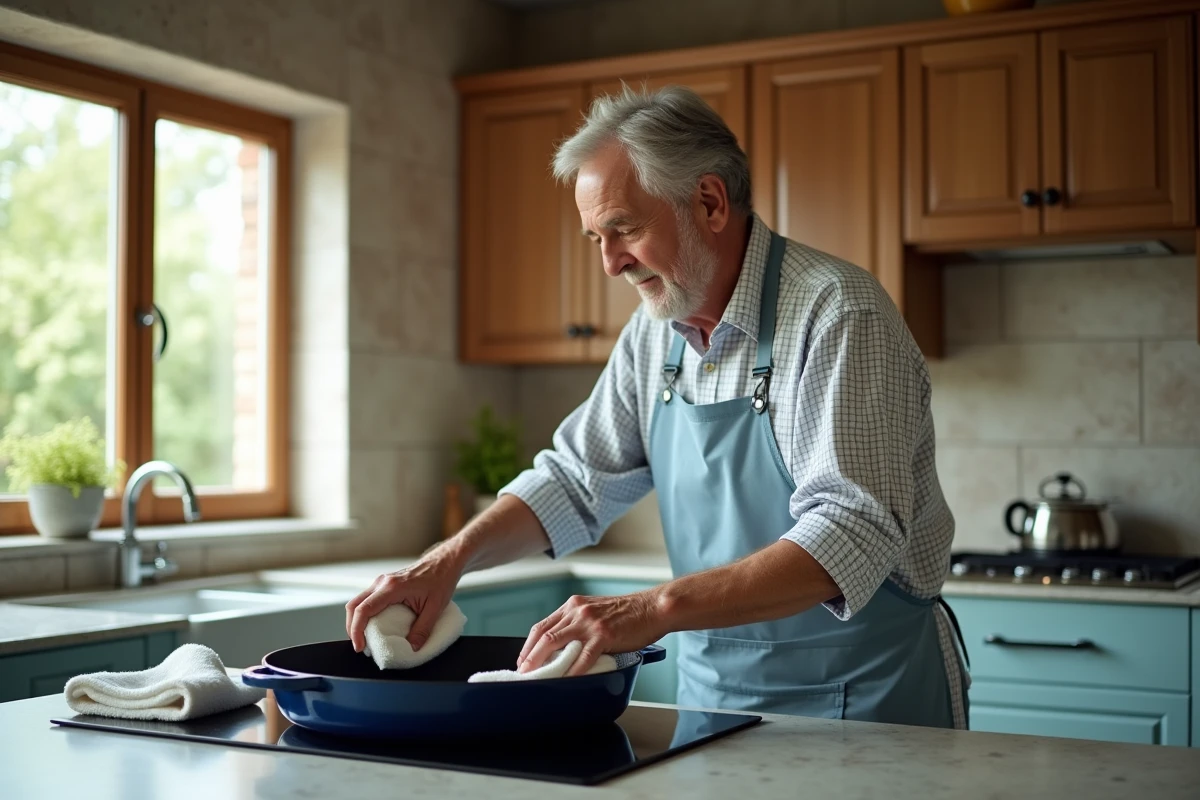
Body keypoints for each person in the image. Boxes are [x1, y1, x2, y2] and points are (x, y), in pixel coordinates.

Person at [346, 84, 970, 729]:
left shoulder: (837, 312)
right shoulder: (653, 334)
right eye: (596, 238)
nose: (611, 264)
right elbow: (575, 481)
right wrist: (444, 564)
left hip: (862, 707)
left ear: (709, 202)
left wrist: (649, 609)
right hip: (711, 703)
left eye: (624, 229)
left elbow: (850, 529)